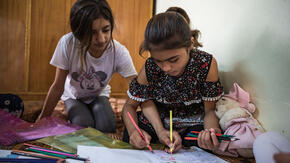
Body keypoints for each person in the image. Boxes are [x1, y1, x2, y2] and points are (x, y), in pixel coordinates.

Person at [122, 11, 223, 153]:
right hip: (158, 121)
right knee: (134, 138)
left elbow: (210, 110)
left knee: (201, 141)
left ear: (190, 45)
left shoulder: (206, 64)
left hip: (191, 123)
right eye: (158, 60)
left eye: (174, 60)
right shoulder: (149, 67)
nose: (166, 68)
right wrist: (136, 132)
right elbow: (129, 106)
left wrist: (210, 132)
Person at [37, 0, 137, 133]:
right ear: (79, 32)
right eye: (92, 32)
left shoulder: (118, 51)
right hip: (73, 96)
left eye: (106, 30)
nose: (101, 39)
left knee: (106, 126)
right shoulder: (67, 44)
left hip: (98, 95)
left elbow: (138, 88)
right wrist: (41, 120)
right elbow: (57, 87)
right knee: (83, 125)